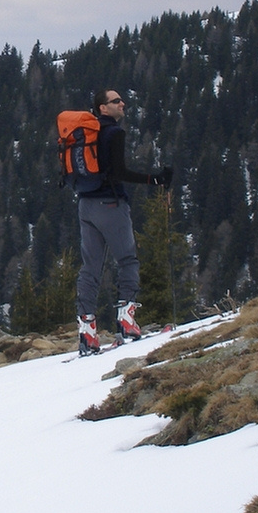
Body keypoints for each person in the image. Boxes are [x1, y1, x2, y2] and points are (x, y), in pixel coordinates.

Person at [75, 88, 172, 355]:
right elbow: (119, 172)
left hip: (85, 204)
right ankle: (127, 322)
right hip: (111, 203)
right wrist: (154, 179)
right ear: (103, 108)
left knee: (90, 268)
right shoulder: (113, 133)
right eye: (116, 101)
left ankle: (87, 333)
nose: (122, 103)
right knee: (127, 259)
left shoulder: (85, 135)